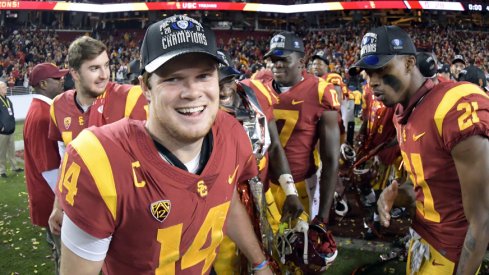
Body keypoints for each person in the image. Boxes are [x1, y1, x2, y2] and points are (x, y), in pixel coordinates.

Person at [57, 15, 272, 275]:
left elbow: (225, 198)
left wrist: (260, 263)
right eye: (172, 79)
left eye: (204, 75)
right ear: (146, 87)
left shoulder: (232, 133)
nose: (192, 92)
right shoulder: (100, 159)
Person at [349, 25, 489, 275]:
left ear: (409, 63)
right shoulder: (402, 111)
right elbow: (433, 185)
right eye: (368, 73)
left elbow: (483, 218)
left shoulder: (454, 106)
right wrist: (396, 195)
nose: (372, 83)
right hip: (422, 240)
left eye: (381, 69)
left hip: (451, 255)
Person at [48, 36, 148, 237]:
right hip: (81, 208)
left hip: (127, 213)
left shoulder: (132, 97)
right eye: (94, 68)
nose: (105, 75)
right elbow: (65, 159)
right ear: (75, 73)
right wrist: (58, 205)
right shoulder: (58, 106)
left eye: (106, 65)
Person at [214, 49, 303, 274]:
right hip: (222, 209)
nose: (225, 88)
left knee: (272, 258)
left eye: (229, 79)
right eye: (217, 82)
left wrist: (290, 191)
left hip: (261, 197)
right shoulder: (199, 112)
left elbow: (273, 145)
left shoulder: (256, 94)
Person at [256, 31, 340, 255]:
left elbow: (331, 159)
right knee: (265, 249)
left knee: (299, 253)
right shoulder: (260, 85)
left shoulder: (321, 91)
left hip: (301, 184)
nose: (276, 65)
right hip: (264, 183)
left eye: (284, 59)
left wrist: (322, 217)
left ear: (302, 62)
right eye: (273, 59)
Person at [23, 63, 68, 274]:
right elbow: (49, 169)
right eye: (56, 79)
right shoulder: (42, 115)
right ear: (43, 83)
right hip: (51, 200)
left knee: (61, 253)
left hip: (47, 198)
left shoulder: (40, 109)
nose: (62, 82)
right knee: (66, 259)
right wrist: (65, 203)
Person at [0, 81, 22, 178]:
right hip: (3, 132)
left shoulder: (8, 100)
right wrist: (1, 127)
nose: (6, 88)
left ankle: (15, 167)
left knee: (11, 150)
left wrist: (13, 125)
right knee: (2, 152)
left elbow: (11, 113)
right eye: (4, 87)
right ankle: (2, 170)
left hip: (11, 130)